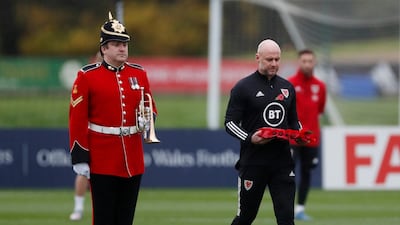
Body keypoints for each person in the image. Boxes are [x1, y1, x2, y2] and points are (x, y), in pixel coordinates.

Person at [69, 12, 157, 225]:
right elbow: (77, 119)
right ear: (104, 48)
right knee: (104, 219)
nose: (122, 48)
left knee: (125, 219)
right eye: (116, 44)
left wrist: (148, 118)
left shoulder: (139, 73)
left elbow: (150, 105)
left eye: (124, 44)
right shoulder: (87, 76)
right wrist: (80, 157)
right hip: (102, 158)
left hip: (133, 157)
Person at [225, 39, 302, 225]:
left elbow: (293, 122)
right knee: (246, 217)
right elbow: (230, 123)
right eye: (269, 59)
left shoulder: (287, 88)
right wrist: (250, 138)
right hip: (253, 162)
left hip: (282, 163)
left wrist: (299, 134)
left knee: (286, 219)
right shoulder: (243, 87)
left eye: (277, 59)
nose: (274, 64)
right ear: (257, 58)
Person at [287, 49, 326, 221]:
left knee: (307, 173)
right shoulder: (289, 84)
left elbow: (319, 110)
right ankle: (286, 207)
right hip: (293, 138)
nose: (307, 64)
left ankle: (300, 209)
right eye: (304, 61)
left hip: (311, 139)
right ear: (299, 62)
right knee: (287, 173)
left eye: (310, 61)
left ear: (314, 63)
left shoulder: (320, 86)